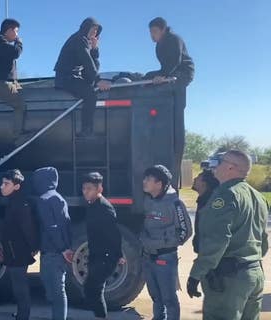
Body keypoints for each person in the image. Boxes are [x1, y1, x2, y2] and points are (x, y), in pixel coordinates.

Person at [188, 150, 269, 320]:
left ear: (231, 168)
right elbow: (263, 242)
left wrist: (196, 273)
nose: (215, 166)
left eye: (220, 161)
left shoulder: (226, 194)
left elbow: (217, 240)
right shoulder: (258, 197)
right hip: (254, 274)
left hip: (230, 279)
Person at [145, 17, 195, 188]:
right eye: (150, 32)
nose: (152, 36)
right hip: (169, 72)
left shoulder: (174, 39)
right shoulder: (159, 45)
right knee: (147, 76)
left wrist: (164, 76)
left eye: (154, 32)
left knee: (172, 92)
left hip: (181, 73)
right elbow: (163, 65)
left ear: (163, 29)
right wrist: (157, 75)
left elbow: (174, 61)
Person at [141, 165, 192, 320]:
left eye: (149, 179)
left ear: (159, 183)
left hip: (165, 258)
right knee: (156, 297)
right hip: (148, 257)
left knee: (169, 299)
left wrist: (161, 242)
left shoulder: (175, 204)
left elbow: (185, 232)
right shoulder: (147, 201)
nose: (144, 181)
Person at [53, 17, 112, 136]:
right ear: (86, 28)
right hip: (66, 77)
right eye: (93, 29)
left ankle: (90, 84)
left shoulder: (85, 42)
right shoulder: (79, 40)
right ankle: (86, 129)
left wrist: (95, 48)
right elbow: (87, 61)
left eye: (96, 31)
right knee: (90, 95)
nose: (94, 32)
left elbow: (93, 62)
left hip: (75, 75)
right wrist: (98, 80)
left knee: (96, 66)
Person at [81, 172, 125, 320]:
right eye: (84, 188)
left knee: (94, 289)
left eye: (89, 189)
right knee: (91, 289)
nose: (85, 192)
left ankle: (101, 317)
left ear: (99, 189)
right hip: (96, 255)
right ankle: (100, 316)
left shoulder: (104, 208)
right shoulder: (92, 205)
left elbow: (114, 234)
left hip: (105, 257)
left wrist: (118, 255)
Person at [33, 167, 72, 320]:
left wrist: (62, 248)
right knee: (58, 291)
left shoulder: (44, 200)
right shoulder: (59, 198)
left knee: (56, 292)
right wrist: (66, 247)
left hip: (51, 252)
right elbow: (65, 225)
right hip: (58, 252)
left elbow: (51, 227)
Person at [0, 169, 40, 320]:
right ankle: (21, 314)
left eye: (6, 184)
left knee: (20, 288)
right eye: (2, 183)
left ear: (16, 186)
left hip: (18, 253)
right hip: (14, 251)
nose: (2, 186)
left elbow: (28, 228)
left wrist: (33, 247)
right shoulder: (14, 201)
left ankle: (23, 316)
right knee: (17, 287)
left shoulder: (20, 204)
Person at [0, 19, 29, 140]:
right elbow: (15, 53)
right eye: (16, 31)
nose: (17, 35)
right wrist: (19, 43)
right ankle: (18, 136)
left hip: (2, 81)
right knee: (19, 104)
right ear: (9, 30)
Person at [190, 168, 219, 254]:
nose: (194, 179)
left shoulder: (211, 203)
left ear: (204, 184)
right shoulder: (203, 199)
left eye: (198, 178)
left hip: (209, 252)